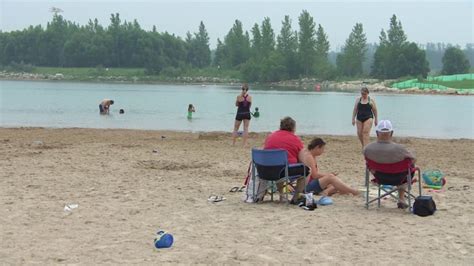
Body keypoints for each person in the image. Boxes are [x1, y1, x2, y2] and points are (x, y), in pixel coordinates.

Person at [363, 120, 416, 209]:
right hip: (400, 178)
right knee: (410, 168)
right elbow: (413, 160)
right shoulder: (400, 149)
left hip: (380, 178)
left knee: (403, 169)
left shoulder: (368, 149)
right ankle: (401, 198)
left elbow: (368, 165)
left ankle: (401, 199)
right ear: (391, 133)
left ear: (377, 133)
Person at [264, 116, 307, 202]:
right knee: (307, 170)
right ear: (293, 128)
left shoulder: (270, 137)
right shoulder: (295, 139)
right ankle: (296, 197)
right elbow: (303, 161)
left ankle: (282, 195)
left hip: (266, 170)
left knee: (278, 165)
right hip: (284, 171)